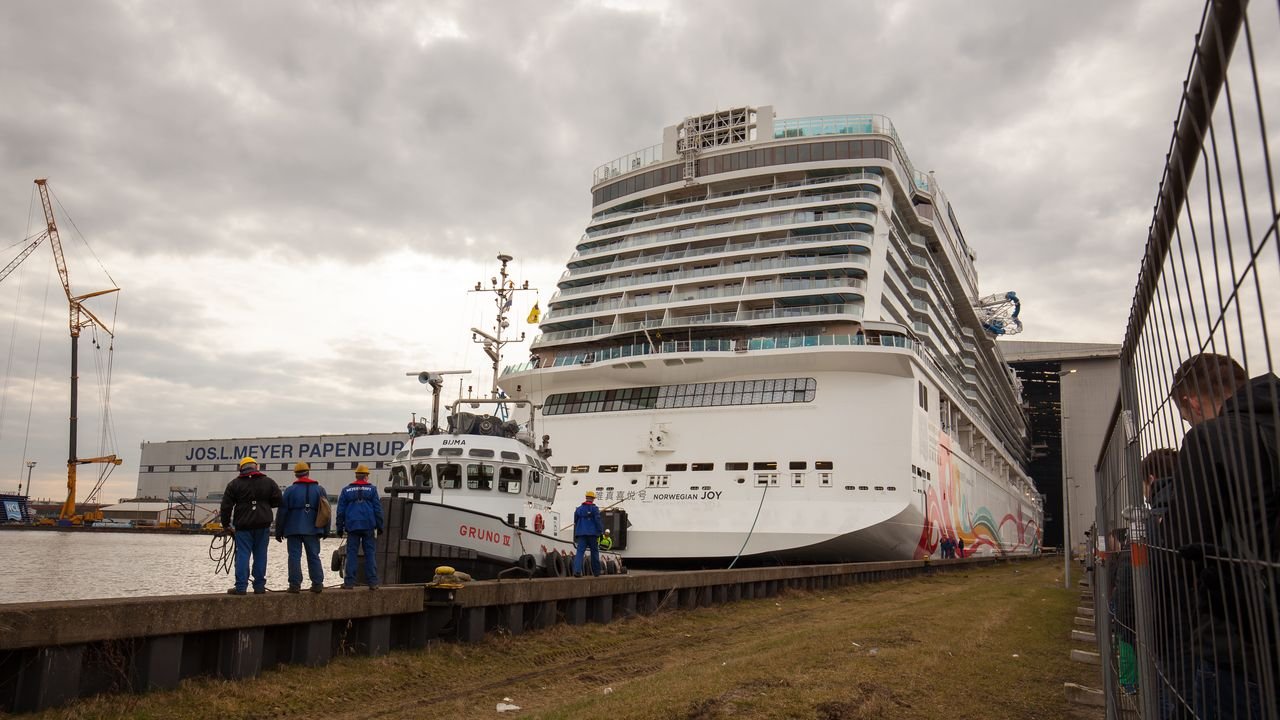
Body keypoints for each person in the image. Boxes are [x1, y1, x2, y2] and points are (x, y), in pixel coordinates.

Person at [1166, 353, 1278, 718]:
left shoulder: (1209, 439)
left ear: (1190, 401)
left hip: (1239, 646)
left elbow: (1181, 548)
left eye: (1186, 417)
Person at [218, 456, 282, 595]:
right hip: (263, 524)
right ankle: (259, 587)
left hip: (243, 525)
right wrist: (264, 505)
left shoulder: (234, 484)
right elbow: (278, 500)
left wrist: (225, 525)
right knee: (260, 554)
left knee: (242, 554)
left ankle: (241, 587)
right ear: (256, 467)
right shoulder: (268, 482)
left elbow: (226, 506)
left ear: (241, 468)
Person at [275, 461, 328, 594]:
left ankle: (294, 585)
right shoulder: (320, 489)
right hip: (313, 529)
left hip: (293, 529)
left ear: (296, 475)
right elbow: (326, 511)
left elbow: (282, 512)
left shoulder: (289, 490)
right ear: (308, 472)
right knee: (314, 556)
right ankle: (317, 583)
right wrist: (325, 530)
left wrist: (278, 531)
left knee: (294, 556)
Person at [337, 464, 384, 590]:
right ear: (366, 476)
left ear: (356, 475)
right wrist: (380, 526)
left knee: (351, 554)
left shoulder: (346, 490)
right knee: (370, 554)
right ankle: (373, 583)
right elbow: (378, 510)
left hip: (352, 527)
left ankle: (349, 583)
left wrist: (339, 528)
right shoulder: (372, 490)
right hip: (368, 526)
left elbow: (340, 511)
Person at [572, 490, 603, 577]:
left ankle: (577, 571)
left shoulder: (578, 509)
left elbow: (575, 520)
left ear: (586, 498)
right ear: (593, 499)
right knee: (594, 552)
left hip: (581, 534)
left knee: (580, 553)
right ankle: (596, 572)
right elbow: (598, 521)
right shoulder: (595, 509)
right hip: (592, 534)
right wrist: (600, 531)